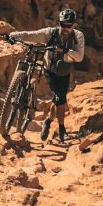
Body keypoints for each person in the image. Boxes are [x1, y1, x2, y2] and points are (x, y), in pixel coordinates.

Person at [9, 8, 85, 142]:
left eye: (69, 25)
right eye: (63, 25)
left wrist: (67, 50)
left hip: (65, 71)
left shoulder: (78, 36)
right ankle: (62, 130)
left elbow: (79, 57)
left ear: (74, 25)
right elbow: (31, 35)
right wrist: (14, 35)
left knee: (58, 100)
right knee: (60, 98)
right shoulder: (51, 32)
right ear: (59, 23)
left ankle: (48, 121)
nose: (66, 28)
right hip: (49, 69)